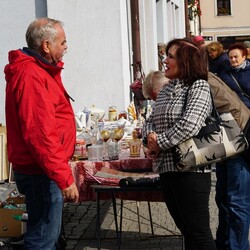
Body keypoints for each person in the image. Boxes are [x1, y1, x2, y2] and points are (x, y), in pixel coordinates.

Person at [4, 18, 79, 249]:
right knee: (42, 239)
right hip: (40, 172)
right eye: (63, 42)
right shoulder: (31, 75)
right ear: (46, 46)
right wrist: (64, 178)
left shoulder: (39, 71)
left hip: (42, 169)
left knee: (48, 236)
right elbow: (40, 135)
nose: (66, 47)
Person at [143, 38, 216, 250]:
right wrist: (149, 138)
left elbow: (190, 125)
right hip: (168, 170)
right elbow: (150, 120)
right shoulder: (166, 89)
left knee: (199, 234)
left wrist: (159, 143)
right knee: (187, 232)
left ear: (185, 61)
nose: (164, 60)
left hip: (191, 170)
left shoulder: (198, 86)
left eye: (170, 56)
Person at [215, 43, 250, 250]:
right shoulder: (222, 72)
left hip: (245, 135)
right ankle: (225, 244)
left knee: (237, 200)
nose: (233, 60)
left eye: (236, 57)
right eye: (231, 57)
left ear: (244, 55)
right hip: (226, 135)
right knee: (223, 197)